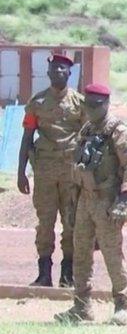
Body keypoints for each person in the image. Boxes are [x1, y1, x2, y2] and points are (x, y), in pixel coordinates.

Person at [55, 83, 127, 326]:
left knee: (113, 254)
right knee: (80, 253)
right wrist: (72, 205)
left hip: (107, 201)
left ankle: (122, 305)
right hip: (85, 200)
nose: (91, 109)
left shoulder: (117, 131)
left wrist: (124, 200)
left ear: (105, 104)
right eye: (87, 105)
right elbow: (77, 168)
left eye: (96, 105)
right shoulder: (87, 129)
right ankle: (81, 306)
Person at [17, 53, 84, 288]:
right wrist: (20, 172)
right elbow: (27, 137)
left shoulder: (80, 104)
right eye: (54, 68)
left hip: (71, 173)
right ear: (47, 72)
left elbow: (88, 139)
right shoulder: (37, 103)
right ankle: (44, 274)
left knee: (71, 222)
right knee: (44, 222)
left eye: (62, 69)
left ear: (69, 73)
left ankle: (68, 274)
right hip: (44, 172)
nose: (57, 72)